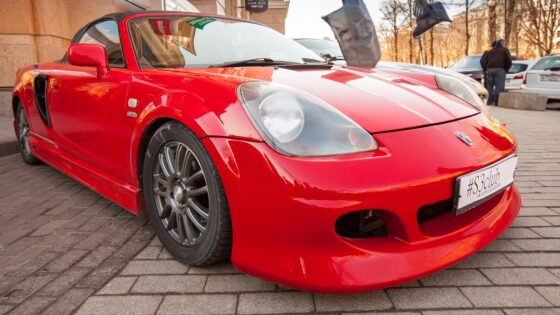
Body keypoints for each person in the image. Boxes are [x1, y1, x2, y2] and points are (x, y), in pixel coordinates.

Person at [481, 39, 513, 105]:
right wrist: (506, 69)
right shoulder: (505, 50)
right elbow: (509, 60)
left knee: (489, 87)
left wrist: (486, 69)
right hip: (500, 70)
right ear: (502, 44)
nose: (504, 45)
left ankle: (488, 101)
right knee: (499, 86)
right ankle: (496, 102)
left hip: (490, 70)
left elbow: (485, 60)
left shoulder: (490, 51)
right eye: (504, 44)